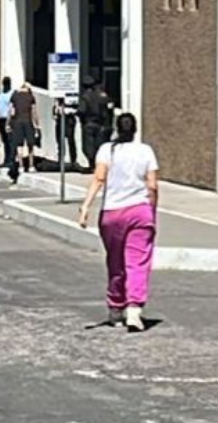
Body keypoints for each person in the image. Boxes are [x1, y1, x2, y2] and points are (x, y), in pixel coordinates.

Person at [77, 112, 159, 332]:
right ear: (135, 129)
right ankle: (134, 309)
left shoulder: (107, 150)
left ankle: (115, 308)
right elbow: (152, 186)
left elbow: (99, 178)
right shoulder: (146, 151)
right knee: (137, 262)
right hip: (140, 211)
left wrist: (85, 207)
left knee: (116, 262)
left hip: (112, 213)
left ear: (117, 128)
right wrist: (151, 211)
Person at [78, 76, 113, 174]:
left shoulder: (85, 97)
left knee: (88, 146)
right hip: (101, 125)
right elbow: (109, 108)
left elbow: (82, 110)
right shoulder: (102, 96)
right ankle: (98, 165)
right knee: (99, 145)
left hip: (89, 124)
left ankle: (92, 165)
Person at [8, 82, 40, 181]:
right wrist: (37, 125)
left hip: (17, 122)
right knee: (30, 145)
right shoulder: (31, 97)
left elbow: (11, 111)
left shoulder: (15, 96)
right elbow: (34, 112)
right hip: (28, 122)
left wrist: (9, 123)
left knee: (19, 145)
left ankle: (21, 166)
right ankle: (31, 165)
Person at [0, 76, 14, 168]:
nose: (5, 86)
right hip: (0, 119)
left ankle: (11, 160)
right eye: (4, 84)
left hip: (8, 119)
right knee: (4, 140)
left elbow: (12, 107)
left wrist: (9, 121)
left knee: (9, 140)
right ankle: (6, 160)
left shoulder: (12, 94)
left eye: (7, 84)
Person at [52, 96, 78, 168]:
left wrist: (67, 110)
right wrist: (55, 112)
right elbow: (55, 107)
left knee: (70, 140)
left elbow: (76, 108)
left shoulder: (72, 98)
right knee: (60, 141)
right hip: (60, 119)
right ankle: (61, 159)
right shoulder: (58, 98)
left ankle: (73, 160)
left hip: (69, 118)